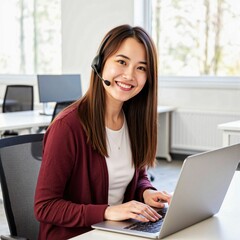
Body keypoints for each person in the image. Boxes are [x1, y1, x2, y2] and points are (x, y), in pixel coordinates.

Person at [34, 24, 172, 240]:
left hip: (118, 231)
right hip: (78, 235)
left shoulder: (133, 120)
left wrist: (146, 192)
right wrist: (108, 211)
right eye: (122, 62)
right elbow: (45, 207)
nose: (129, 75)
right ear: (100, 64)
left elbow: (139, 176)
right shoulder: (67, 127)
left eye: (141, 68)